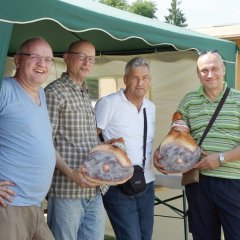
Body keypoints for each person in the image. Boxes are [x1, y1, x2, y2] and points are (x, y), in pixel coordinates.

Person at [154, 50, 240, 240]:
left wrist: (221, 158)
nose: (210, 75)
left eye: (214, 69)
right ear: (198, 74)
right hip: (198, 183)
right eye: (204, 70)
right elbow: (177, 132)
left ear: (223, 69)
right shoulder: (189, 100)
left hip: (233, 184)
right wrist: (160, 151)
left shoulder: (238, 100)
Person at [45, 40, 107, 240]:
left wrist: (108, 147)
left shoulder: (83, 91)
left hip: (94, 190)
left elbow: (84, 140)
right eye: (81, 57)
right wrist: (71, 174)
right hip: (66, 191)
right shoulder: (54, 92)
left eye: (91, 59)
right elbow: (45, 144)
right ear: (66, 57)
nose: (87, 63)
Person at [0, 37, 56, 240]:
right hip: (9, 207)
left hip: (35, 205)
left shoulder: (40, 93)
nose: (42, 64)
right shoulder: (5, 90)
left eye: (48, 59)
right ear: (17, 60)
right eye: (34, 57)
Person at [95, 57, 156, 240]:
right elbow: (88, 139)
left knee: (145, 237)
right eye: (135, 78)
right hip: (118, 183)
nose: (140, 83)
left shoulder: (150, 107)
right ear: (125, 79)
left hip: (146, 181)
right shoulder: (108, 103)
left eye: (145, 78)